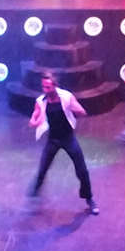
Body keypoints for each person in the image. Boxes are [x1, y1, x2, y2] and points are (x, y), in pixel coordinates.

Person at [28, 71, 99, 214]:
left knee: (82, 170)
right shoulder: (41, 101)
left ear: (55, 86)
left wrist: (77, 110)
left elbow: (82, 111)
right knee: (43, 168)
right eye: (43, 87)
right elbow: (33, 119)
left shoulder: (66, 97)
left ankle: (89, 199)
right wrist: (36, 120)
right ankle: (34, 192)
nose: (45, 90)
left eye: (48, 87)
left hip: (68, 138)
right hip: (53, 139)